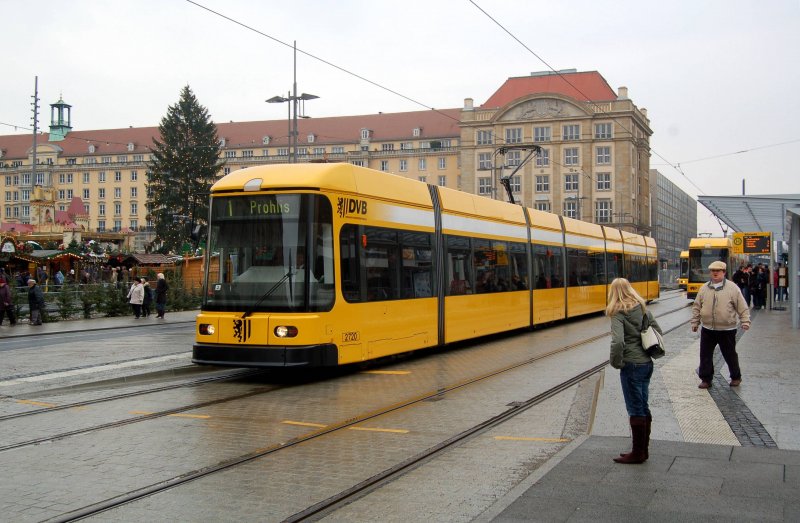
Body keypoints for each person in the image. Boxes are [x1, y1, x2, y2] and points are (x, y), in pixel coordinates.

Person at [606, 277, 662, 464]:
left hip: (631, 364)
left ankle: (637, 453)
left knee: (635, 408)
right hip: (646, 363)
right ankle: (642, 450)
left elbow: (618, 341)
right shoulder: (642, 307)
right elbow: (657, 330)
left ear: (613, 293)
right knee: (643, 405)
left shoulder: (618, 312)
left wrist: (615, 362)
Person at [691, 261, 750, 389]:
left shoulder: (732, 288)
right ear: (710, 273)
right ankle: (706, 379)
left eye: (718, 271)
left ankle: (736, 377)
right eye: (713, 271)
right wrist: (695, 322)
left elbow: (742, 306)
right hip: (708, 328)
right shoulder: (704, 288)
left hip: (727, 329)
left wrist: (745, 321)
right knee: (705, 355)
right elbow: (697, 306)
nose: (715, 273)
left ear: (724, 272)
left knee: (730, 354)